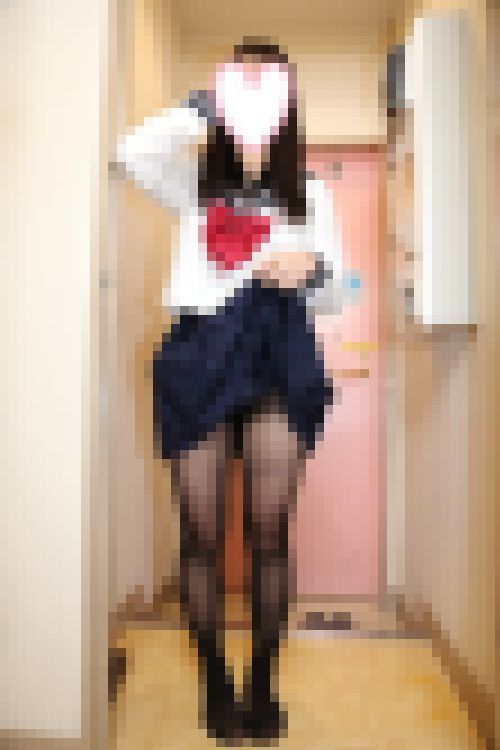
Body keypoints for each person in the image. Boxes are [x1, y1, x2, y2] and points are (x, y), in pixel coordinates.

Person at [116, 39, 343, 744]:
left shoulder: (311, 193)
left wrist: (311, 270)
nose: (250, 94)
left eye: (265, 82)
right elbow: (130, 153)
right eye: (239, 81)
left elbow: (339, 292)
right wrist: (200, 108)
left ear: (287, 103)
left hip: (279, 354)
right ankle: (216, 680)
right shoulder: (192, 184)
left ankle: (263, 682)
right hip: (200, 352)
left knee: (269, 534)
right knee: (201, 535)